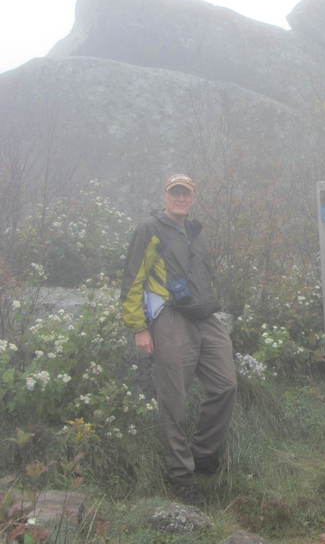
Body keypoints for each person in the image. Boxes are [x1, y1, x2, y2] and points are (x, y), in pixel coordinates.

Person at [121, 173, 237, 505]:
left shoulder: (196, 232)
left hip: (204, 315)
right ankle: (180, 476)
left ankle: (203, 454)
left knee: (226, 384)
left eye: (186, 193)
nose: (181, 198)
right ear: (165, 196)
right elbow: (132, 278)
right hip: (169, 316)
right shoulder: (150, 229)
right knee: (174, 398)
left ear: (194, 197)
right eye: (175, 193)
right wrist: (139, 327)